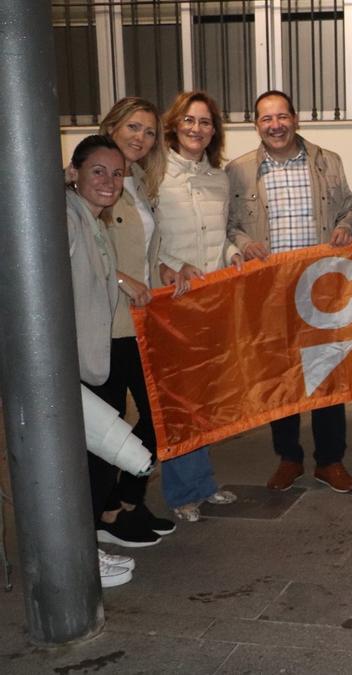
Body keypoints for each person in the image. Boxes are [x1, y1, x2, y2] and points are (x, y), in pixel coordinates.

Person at [226, 90, 352, 495]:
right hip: (269, 293)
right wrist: (242, 242)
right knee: (279, 379)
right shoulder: (238, 171)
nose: (276, 125)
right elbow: (228, 224)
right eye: (267, 119)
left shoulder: (327, 162)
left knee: (326, 376)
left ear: (296, 119)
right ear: (256, 125)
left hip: (319, 289)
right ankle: (289, 458)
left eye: (282, 116)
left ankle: (330, 461)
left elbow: (348, 208)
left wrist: (345, 227)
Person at [153, 90, 239, 521]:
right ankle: (181, 492)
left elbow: (218, 239)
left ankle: (202, 484)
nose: (196, 129)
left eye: (205, 122)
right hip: (170, 302)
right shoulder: (155, 174)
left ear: (213, 131)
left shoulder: (218, 179)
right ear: (174, 124)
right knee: (177, 401)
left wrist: (233, 256)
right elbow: (150, 239)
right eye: (189, 120)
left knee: (201, 400)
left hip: (210, 302)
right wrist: (170, 266)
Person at [93, 98, 176, 539]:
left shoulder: (140, 180)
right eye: (133, 127)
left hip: (140, 323)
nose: (140, 138)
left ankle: (129, 500)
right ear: (113, 126)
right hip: (105, 323)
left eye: (148, 131)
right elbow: (86, 248)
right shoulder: (93, 181)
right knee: (108, 424)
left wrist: (165, 270)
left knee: (157, 415)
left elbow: (144, 248)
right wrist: (125, 280)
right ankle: (107, 515)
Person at [66, 134, 141, 585]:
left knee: (87, 461)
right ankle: (78, 559)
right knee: (76, 466)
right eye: (98, 170)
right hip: (69, 362)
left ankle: (85, 548)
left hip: (86, 357)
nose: (109, 181)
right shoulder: (66, 216)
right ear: (73, 173)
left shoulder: (90, 219)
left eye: (117, 173)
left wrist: (119, 278)